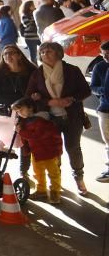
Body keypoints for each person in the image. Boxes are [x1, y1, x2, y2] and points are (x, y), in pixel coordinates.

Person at [26, 42, 91, 196]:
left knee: (73, 148)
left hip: (72, 117)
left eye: (49, 51)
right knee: (54, 151)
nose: (45, 54)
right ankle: (57, 180)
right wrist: (48, 102)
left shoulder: (72, 70)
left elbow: (86, 91)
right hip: (49, 120)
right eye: (42, 52)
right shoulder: (37, 74)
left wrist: (72, 98)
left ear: (58, 53)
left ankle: (79, 178)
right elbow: (29, 95)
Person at [11, 98, 64, 203]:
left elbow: (36, 136)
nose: (19, 113)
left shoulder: (41, 120)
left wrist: (21, 131)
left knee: (53, 173)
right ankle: (41, 190)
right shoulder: (26, 122)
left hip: (49, 151)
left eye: (21, 110)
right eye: (17, 112)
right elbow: (27, 139)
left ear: (30, 108)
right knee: (38, 172)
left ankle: (55, 192)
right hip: (36, 152)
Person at [90, 40, 109, 183]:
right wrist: (103, 91)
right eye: (104, 55)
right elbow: (93, 87)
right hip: (105, 109)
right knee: (108, 141)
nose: (106, 58)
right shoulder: (99, 67)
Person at [20, 0, 41, 64]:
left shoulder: (35, 13)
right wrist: (35, 18)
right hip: (30, 38)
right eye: (32, 5)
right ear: (28, 6)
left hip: (38, 36)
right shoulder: (24, 16)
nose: (34, 6)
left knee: (45, 49)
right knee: (33, 55)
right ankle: (35, 69)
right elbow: (28, 25)